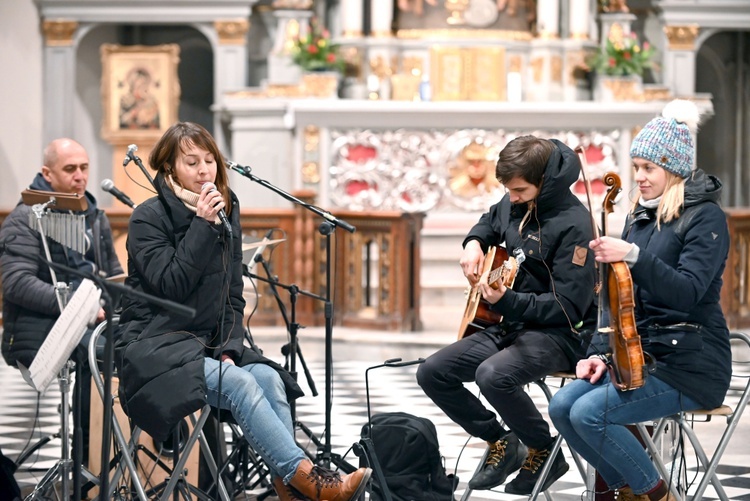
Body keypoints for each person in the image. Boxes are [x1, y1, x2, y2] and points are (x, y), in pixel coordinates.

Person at [113, 122, 371, 501]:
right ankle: (309, 480)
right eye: (191, 162)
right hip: (155, 345)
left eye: (209, 161)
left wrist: (230, 350)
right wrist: (201, 225)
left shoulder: (227, 209)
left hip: (208, 343)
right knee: (240, 384)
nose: (204, 171)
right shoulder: (148, 218)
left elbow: (233, 294)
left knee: (268, 378)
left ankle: (292, 490)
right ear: (169, 168)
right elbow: (171, 285)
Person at [548, 99, 731, 501]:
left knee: (589, 413)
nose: (640, 178)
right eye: (637, 168)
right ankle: (627, 488)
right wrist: (597, 352)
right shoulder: (640, 216)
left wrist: (634, 255)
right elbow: (618, 299)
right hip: (640, 356)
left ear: (675, 169)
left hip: (691, 364)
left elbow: (687, 292)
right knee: (563, 406)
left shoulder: (705, 218)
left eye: (649, 168)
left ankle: (655, 493)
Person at [417, 135, 597, 495]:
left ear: (544, 182)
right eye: (508, 189)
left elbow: (567, 307)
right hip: (510, 325)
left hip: (559, 334)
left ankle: (544, 450)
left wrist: (506, 301)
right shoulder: (516, 199)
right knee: (432, 372)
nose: (511, 197)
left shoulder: (574, 223)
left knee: (492, 375)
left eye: (518, 190)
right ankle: (501, 440)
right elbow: (490, 219)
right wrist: (474, 243)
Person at [0, 138, 122, 464]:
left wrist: (115, 306)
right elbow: (16, 284)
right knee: (98, 355)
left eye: (84, 168)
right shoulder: (27, 217)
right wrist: (77, 307)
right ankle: (87, 462)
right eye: (70, 169)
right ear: (47, 173)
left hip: (91, 320)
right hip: (37, 329)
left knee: (133, 347)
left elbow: (112, 275)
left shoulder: (94, 216)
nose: (80, 176)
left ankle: (121, 456)